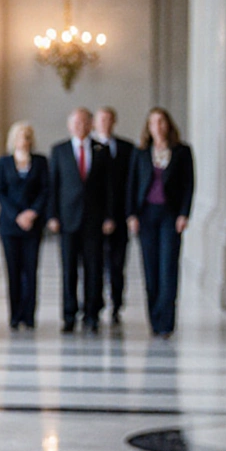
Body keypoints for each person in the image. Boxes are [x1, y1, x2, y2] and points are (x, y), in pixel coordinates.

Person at [127, 107, 194, 338]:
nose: (158, 126)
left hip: (170, 216)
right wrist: (131, 215)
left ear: (168, 124)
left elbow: (188, 184)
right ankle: (154, 320)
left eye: (162, 121)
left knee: (168, 268)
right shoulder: (141, 153)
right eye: (153, 122)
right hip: (146, 215)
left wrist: (184, 214)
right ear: (148, 127)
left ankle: (167, 322)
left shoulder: (182, 151)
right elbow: (132, 185)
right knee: (150, 268)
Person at [47, 108, 115, 334]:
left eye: (84, 122)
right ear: (69, 126)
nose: (80, 126)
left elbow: (109, 187)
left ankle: (91, 314)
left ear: (90, 125)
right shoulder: (59, 150)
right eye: (76, 123)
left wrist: (109, 216)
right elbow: (53, 186)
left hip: (94, 220)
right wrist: (52, 215)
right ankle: (68, 315)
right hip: (67, 220)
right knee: (68, 270)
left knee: (94, 269)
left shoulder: (102, 150)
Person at [0, 122, 49, 330]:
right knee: (13, 271)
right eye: (19, 136)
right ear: (13, 140)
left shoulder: (41, 162)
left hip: (33, 225)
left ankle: (29, 315)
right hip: (10, 225)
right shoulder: (4, 162)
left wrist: (32, 213)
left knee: (31, 271)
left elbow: (45, 189)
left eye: (27, 136)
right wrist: (17, 215)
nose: (23, 140)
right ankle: (15, 315)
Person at [92, 106, 135, 325]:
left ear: (114, 121)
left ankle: (117, 304)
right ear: (95, 123)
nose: (105, 123)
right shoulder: (89, 148)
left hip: (119, 215)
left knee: (118, 264)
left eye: (109, 119)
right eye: (101, 119)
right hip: (94, 219)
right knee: (95, 264)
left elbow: (132, 184)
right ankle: (95, 304)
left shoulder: (128, 148)